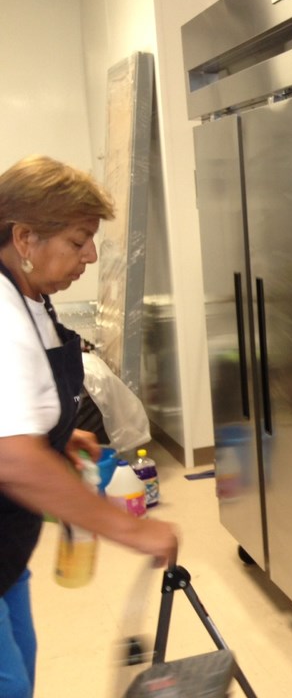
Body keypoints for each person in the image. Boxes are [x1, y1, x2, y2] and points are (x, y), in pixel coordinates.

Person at [0, 155, 179, 697]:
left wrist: (55, 434)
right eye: (78, 241)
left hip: (7, 552)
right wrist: (130, 528)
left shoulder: (30, 298)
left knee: (21, 677)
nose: (91, 256)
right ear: (25, 238)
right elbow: (11, 458)